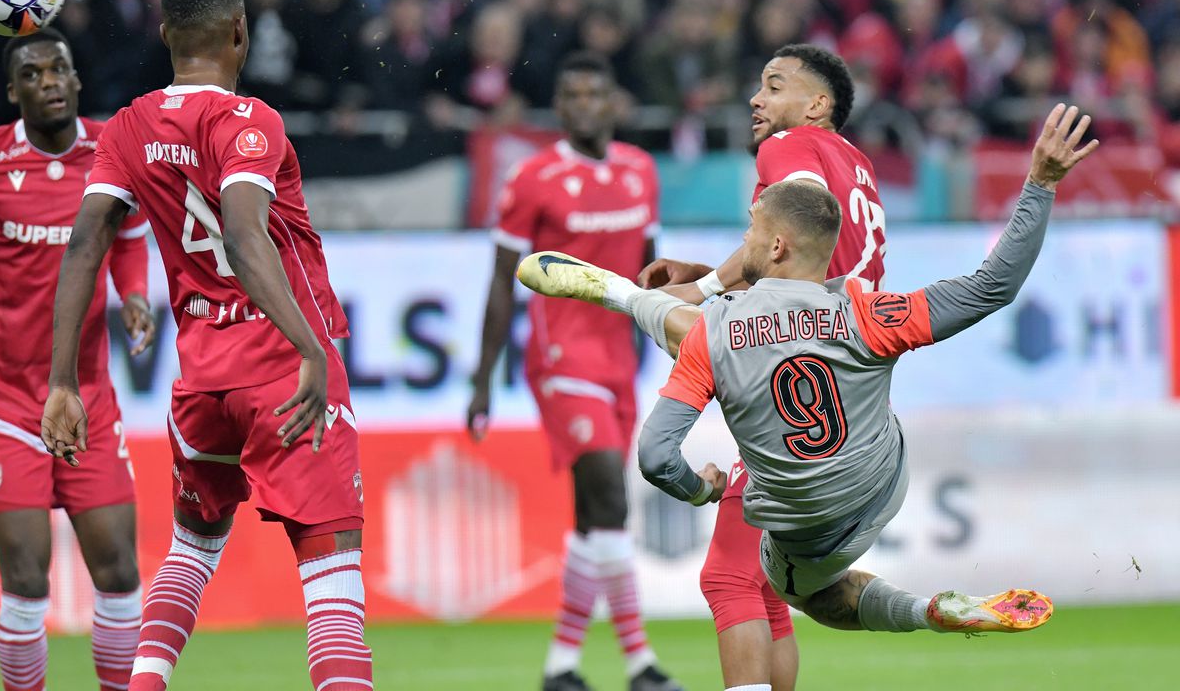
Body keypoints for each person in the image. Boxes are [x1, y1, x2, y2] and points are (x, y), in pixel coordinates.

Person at [518, 103, 1098, 658]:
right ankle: (623, 295)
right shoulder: (868, 309)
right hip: (880, 480)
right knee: (724, 340)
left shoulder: (715, 331)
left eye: (750, 229)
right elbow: (992, 285)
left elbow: (654, 455)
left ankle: (622, 295)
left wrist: (702, 490)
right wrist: (1041, 182)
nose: (743, 240)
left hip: (806, 521)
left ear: (775, 244)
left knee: (793, 591)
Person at [40, 0, 370, 691]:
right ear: (241, 32)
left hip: (201, 380)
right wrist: (311, 347)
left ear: (165, 37)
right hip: (281, 365)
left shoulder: (126, 126)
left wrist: (61, 380)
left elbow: (85, 243)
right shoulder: (250, 121)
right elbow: (248, 238)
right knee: (332, 564)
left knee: (191, 550)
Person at [647, 44, 881, 691]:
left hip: (798, 378)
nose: (758, 99)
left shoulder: (788, 147)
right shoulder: (857, 165)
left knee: (727, 576)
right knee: (765, 584)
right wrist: (713, 280)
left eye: (775, 86)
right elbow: (797, 257)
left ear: (817, 105)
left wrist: (700, 297)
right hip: (845, 379)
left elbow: (797, 230)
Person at [467, 52, 681, 691]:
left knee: (594, 517)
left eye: (597, 93)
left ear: (613, 101)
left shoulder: (641, 171)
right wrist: (481, 380)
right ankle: (641, 663)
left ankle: (561, 665)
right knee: (612, 500)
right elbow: (503, 283)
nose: (586, 104)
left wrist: (673, 337)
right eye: (574, 94)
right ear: (559, 107)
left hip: (619, 360)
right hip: (561, 360)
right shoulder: (532, 178)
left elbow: (651, 269)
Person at [0, 27, 154, 691]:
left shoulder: (111, 152)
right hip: (5, 403)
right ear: (13, 91)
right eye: (33, 73)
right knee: (26, 583)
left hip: (90, 399)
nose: (49, 80)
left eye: (60, 69)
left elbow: (130, 231)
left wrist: (133, 294)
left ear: (78, 79)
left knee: (118, 573)